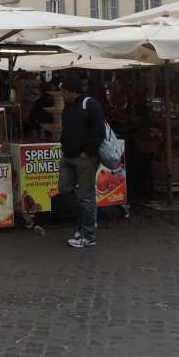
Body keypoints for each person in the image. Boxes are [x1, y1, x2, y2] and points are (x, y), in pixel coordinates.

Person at [58, 74, 104, 249]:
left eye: (63, 91)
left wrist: (88, 152)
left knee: (86, 196)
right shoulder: (68, 107)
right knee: (64, 188)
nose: (62, 94)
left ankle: (88, 235)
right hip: (68, 155)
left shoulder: (90, 105)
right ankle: (85, 221)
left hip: (84, 158)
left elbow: (98, 131)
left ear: (72, 91)